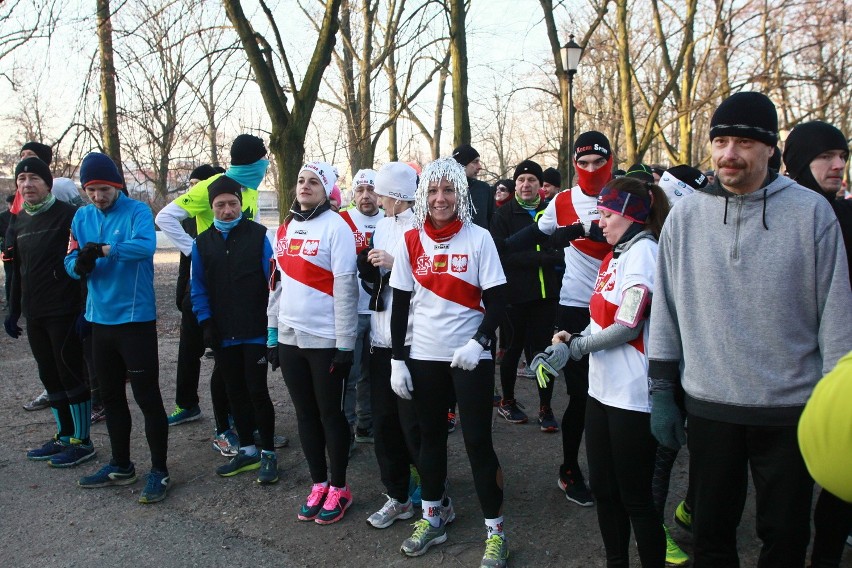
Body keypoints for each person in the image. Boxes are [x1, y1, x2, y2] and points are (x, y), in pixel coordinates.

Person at [648, 92, 852, 567]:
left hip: (790, 409)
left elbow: (836, 314)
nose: (728, 153)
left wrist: (840, 397)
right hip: (710, 406)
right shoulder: (686, 216)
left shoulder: (811, 213)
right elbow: (667, 309)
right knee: (711, 534)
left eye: (742, 142)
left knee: (784, 534)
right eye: (720, 141)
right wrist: (661, 387)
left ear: (769, 150)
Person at [536, 176, 671, 567]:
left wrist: (578, 347)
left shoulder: (643, 252)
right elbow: (602, 319)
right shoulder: (614, 254)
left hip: (632, 396)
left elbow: (628, 324)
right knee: (606, 491)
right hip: (601, 392)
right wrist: (571, 335)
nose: (600, 223)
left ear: (630, 215)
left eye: (607, 215)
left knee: (636, 499)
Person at [389, 157, 509, 566]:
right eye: (433, 191)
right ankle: (434, 516)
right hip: (424, 356)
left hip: (470, 358)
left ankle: (496, 530)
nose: (440, 199)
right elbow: (400, 305)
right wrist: (397, 360)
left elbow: (499, 302)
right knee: (430, 440)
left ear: (461, 194)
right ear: (423, 195)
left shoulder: (480, 238)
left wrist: (479, 341)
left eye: (449, 190)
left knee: (477, 442)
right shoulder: (409, 240)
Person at [67, 152, 171, 504]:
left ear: (117, 186)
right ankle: (121, 464)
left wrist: (106, 249)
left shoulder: (138, 211)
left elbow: (146, 246)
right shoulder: (81, 216)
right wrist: (78, 264)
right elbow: (70, 258)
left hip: (135, 320)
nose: (98, 196)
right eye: (91, 190)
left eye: (104, 189)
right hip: (99, 323)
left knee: (146, 397)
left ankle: (159, 470)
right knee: (110, 397)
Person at [155, 135, 270, 450]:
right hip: (211, 286)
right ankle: (224, 429)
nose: (266, 164)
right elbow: (165, 217)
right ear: (251, 161)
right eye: (263, 158)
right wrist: (196, 253)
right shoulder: (215, 184)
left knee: (243, 362)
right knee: (223, 364)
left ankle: (248, 425)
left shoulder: (251, 192)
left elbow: (255, 234)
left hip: (243, 289)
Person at [268, 161, 357, 524]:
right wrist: (272, 333)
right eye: (301, 180)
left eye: (314, 182)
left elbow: (346, 287)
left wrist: (346, 344)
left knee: (329, 414)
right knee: (304, 415)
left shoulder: (337, 226)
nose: (305, 186)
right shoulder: (286, 227)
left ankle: (340, 486)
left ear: (327, 190)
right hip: (289, 336)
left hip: (325, 338)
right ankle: (318, 482)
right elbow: (276, 282)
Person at [783, 120, 852, 568]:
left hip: (843, 364)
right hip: (791, 368)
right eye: (827, 156)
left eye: (842, 156)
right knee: (789, 485)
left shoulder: (846, 214)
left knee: (840, 475)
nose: (838, 164)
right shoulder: (784, 215)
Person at [537, 131, 615, 507]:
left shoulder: (626, 193)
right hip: (574, 308)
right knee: (581, 397)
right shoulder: (563, 200)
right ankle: (569, 470)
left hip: (618, 307)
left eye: (598, 162)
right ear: (573, 165)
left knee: (616, 395)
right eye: (583, 163)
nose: (591, 169)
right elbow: (536, 237)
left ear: (610, 161)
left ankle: (609, 470)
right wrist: (559, 243)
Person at [5, 157, 94, 467]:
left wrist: (85, 309)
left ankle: (82, 441)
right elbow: (17, 269)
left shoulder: (70, 215)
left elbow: (83, 265)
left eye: (34, 178)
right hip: (36, 312)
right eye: (22, 179)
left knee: (69, 371)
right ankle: (64, 434)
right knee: (49, 374)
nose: (27, 184)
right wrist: (13, 310)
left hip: (65, 310)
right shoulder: (19, 221)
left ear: (47, 183)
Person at [190, 175, 278, 484]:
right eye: (220, 205)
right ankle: (248, 450)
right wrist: (206, 322)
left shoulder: (257, 235)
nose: (227, 210)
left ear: (240, 204)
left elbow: (273, 283)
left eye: (232, 204)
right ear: (211, 208)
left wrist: (273, 328)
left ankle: (268, 453)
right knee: (234, 391)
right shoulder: (202, 243)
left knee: (257, 391)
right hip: (222, 332)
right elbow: (198, 286)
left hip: (254, 329)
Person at [358, 162, 421, 529]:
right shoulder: (382, 225)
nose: (377, 200)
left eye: (382, 194)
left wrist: (395, 262)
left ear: (398, 196)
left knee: (413, 424)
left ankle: (432, 493)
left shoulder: (423, 227)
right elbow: (375, 278)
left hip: (413, 339)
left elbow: (431, 278)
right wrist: (368, 266)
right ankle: (396, 496)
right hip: (379, 336)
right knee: (384, 424)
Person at [490, 159, 563, 431]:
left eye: (532, 180)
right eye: (521, 180)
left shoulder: (550, 211)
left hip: (547, 295)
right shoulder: (504, 215)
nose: (526, 184)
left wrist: (547, 258)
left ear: (540, 186)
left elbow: (561, 249)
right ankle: (507, 401)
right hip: (514, 295)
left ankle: (545, 407)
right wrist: (542, 258)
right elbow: (500, 254)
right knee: (512, 349)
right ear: (515, 185)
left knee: (544, 352)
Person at [340, 168, 381, 446]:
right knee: (349, 375)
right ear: (353, 193)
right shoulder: (340, 220)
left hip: (381, 311)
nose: (366, 196)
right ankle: (346, 432)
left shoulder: (391, 219)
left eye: (371, 190)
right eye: (360, 190)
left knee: (373, 373)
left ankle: (366, 424)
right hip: (351, 311)